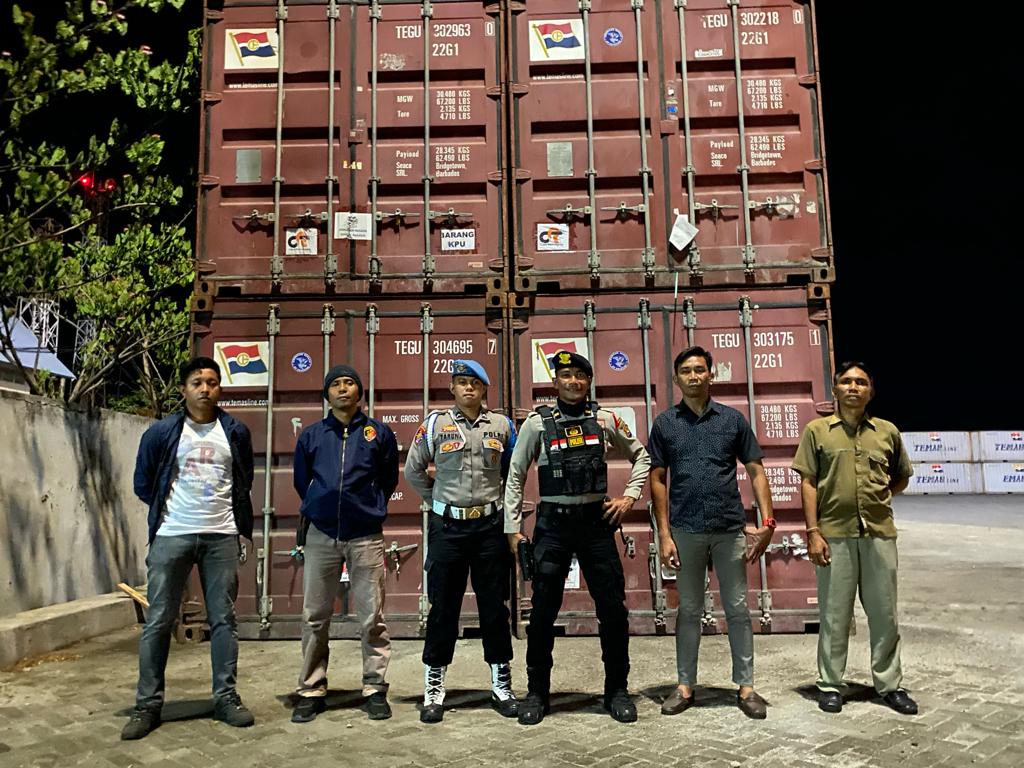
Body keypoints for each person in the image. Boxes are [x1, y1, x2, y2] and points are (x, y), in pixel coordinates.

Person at [504, 350, 651, 725]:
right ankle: (537, 693)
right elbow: (515, 475)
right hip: (552, 526)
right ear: (555, 382)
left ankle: (616, 691)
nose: (573, 382)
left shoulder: (605, 419)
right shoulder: (537, 424)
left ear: (588, 381)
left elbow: (643, 457)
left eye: (580, 376)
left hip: (595, 524)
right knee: (542, 614)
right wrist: (513, 529)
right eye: (566, 375)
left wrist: (629, 497)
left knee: (613, 612)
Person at [122, 356, 256, 740]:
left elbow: (243, 481)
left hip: (221, 536)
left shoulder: (235, 432)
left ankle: (226, 698)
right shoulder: (162, 432)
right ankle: (148, 705)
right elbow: (144, 483)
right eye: (197, 382)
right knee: (159, 620)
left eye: (212, 382)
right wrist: (172, 515)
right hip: (172, 535)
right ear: (183, 389)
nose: (204, 389)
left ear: (220, 389)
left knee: (224, 620)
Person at [649, 345, 775, 720]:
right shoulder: (665, 424)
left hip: (729, 529)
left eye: (700, 369)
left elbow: (756, 471)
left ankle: (746, 687)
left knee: (737, 608)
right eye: (686, 371)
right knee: (688, 610)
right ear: (677, 379)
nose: (694, 376)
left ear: (711, 374)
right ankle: (685, 686)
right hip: (685, 530)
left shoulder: (732, 420)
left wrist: (768, 523)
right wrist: (664, 534)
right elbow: (657, 479)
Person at [792, 361, 918, 715]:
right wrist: (813, 532)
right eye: (846, 381)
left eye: (861, 382)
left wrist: (880, 497)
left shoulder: (887, 432)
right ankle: (831, 685)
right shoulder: (818, 431)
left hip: (879, 534)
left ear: (870, 391)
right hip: (834, 534)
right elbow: (808, 482)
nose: (853, 387)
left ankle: (889, 685)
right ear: (835, 389)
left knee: (885, 615)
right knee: (835, 616)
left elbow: (902, 476)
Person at [404, 360, 518, 723]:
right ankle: (434, 688)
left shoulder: (502, 426)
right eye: (462, 382)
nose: (468, 388)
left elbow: (513, 471)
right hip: (448, 530)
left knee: (494, 608)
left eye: (475, 383)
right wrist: (439, 502)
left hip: (489, 529)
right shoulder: (435, 425)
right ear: (452, 388)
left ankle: (501, 685)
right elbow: (412, 470)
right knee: (443, 608)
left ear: (484, 389)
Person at [290, 364, 399, 723]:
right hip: (321, 534)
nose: (342, 389)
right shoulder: (312, 436)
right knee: (314, 616)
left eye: (349, 383)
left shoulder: (378, 433)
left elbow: (388, 478)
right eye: (335, 384)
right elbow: (302, 481)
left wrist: (369, 507)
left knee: (372, 617)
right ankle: (311, 689)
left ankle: (374, 687)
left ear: (358, 391)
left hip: (365, 534)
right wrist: (322, 505)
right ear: (327, 394)